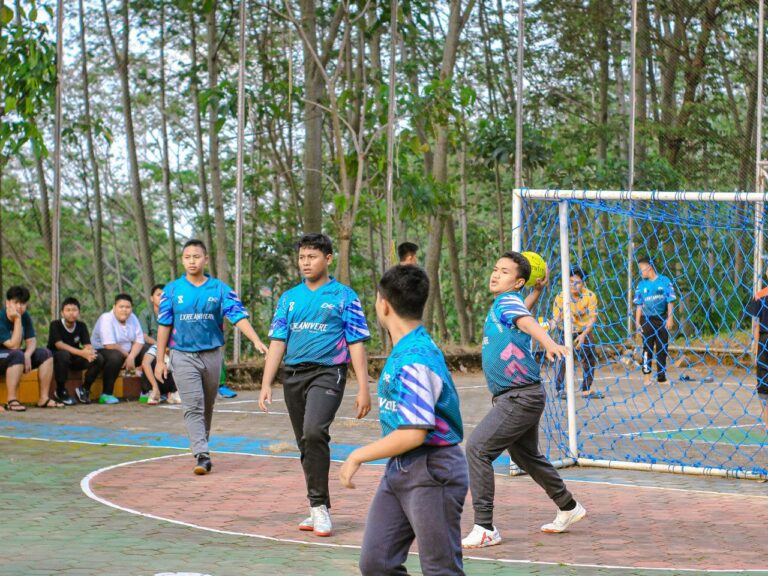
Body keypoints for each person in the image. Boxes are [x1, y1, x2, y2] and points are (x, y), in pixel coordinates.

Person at [340, 265, 467, 575]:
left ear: (383, 304)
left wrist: (358, 455)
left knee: (440, 569)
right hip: (401, 468)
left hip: (431, 470)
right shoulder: (407, 348)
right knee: (377, 563)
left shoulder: (414, 359)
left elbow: (413, 433)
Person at [462, 251, 585, 549]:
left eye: (504, 272)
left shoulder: (507, 302)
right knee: (526, 456)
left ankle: (485, 527)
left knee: (477, 449)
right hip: (520, 395)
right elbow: (520, 317)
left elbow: (526, 321)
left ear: (517, 281)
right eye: (495, 268)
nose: (495, 274)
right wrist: (537, 292)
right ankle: (568, 507)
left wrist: (548, 342)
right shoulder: (506, 304)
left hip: (518, 398)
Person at [259, 233, 371, 537]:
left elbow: (357, 342)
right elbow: (277, 341)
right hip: (292, 376)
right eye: (301, 257)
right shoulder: (289, 298)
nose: (305, 263)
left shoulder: (344, 296)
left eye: (312, 256)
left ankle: (321, 507)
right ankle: (314, 505)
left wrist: (364, 387)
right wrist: (266, 381)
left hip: (328, 373)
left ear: (328, 259)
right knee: (305, 443)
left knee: (314, 431)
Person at [154, 239, 268, 475]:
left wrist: (256, 340)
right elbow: (164, 324)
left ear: (205, 259)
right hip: (182, 355)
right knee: (193, 404)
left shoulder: (220, 289)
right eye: (187, 257)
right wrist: (159, 359)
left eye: (197, 256)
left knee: (206, 404)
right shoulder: (172, 290)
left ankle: (201, 446)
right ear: (182, 260)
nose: (192, 261)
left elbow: (237, 316)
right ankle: (202, 455)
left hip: (212, 355)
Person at [0, 286, 61, 410]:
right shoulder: (1, 318)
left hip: (13, 356)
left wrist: (27, 354)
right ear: (7, 303)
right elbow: (14, 346)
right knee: (17, 354)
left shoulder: (25, 316)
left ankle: (43, 398)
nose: (19, 307)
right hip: (3, 355)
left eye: (22, 303)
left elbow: (31, 340)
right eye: (15, 302)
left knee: (46, 354)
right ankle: (12, 400)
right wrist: (17, 319)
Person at [552, 266, 601, 399]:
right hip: (565, 330)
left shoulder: (590, 296)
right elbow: (555, 319)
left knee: (590, 356)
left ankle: (586, 389)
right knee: (562, 358)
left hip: (583, 330)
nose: (573, 285)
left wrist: (583, 335)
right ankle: (559, 389)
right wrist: (550, 327)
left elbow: (593, 318)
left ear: (583, 283)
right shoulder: (561, 297)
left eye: (577, 282)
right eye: (570, 281)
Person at [47, 297, 105, 405]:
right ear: (62, 313)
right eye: (68, 310)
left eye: (74, 310)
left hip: (74, 358)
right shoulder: (55, 324)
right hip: (57, 358)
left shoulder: (81, 326)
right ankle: (60, 391)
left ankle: (84, 389)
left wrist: (89, 352)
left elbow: (87, 345)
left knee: (98, 358)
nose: (71, 313)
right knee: (63, 355)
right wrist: (82, 353)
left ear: (78, 312)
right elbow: (59, 345)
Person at [91, 294, 147, 405]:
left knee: (148, 351)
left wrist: (131, 356)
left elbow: (140, 340)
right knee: (115, 356)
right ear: (114, 307)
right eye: (121, 307)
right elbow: (110, 345)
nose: (124, 310)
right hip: (104, 351)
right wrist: (128, 356)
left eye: (128, 307)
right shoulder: (106, 318)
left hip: (127, 354)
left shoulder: (133, 318)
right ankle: (106, 394)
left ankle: (147, 391)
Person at [634, 256, 676, 385]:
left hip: (661, 319)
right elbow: (639, 306)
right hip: (646, 319)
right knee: (647, 348)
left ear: (649, 267)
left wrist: (670, 318)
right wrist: (637, 323)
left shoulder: (664, 281)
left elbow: (670, 301)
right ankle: (646, 377)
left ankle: (661, 377)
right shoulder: (641, 285)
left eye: (642, 269)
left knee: (662, 348)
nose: (640, 272)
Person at [747, 266, 768, 431]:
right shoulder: (760, 295)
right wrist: (755, 348)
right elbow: (756, 324)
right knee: (763, 384)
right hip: (764, 339)